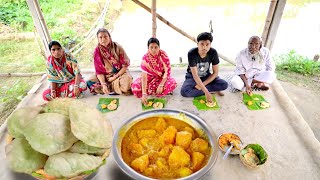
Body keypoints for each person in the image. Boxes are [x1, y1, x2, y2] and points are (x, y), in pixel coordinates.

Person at [180, 32, 228, 103]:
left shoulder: (213, 52)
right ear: (197, 44)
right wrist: (206, 92)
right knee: (184, 92)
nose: (204, 47)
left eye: (207, 44)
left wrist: (202, 86)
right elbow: (195, 75)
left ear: (210, 45)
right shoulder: (192, 53)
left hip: (206, 76)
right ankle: (211, 90)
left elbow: (215, 73)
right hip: (193, 77)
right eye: (202, 44)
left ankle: (203, 89)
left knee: (224, 84)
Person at [131, 37, 177, 105]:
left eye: (156, 47)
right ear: (148, 48)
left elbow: (167, 72)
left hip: (161, 78)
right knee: (135, 87)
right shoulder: (145, 58)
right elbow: (144, 76)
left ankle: (155, 90)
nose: (153, 50)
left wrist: (161, 85)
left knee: (173, 83)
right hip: (148, 79)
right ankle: (155, 91)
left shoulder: (163, 55)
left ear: (159, 47)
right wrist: (144, 93)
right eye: (151, 47)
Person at [86, 28, 132, 95]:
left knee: (127, 81)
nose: (103, 39)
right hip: (105, 76)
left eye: (105, 36)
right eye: (100, 37)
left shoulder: (117, 47)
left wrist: (114, 77)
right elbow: (99, 71)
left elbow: (125, 66)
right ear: (98, 39)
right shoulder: (97, 51)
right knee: (90, 82)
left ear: (109, 37)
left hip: (119, 73)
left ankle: (110, 87)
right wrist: (104, 84)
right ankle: (111, 87)